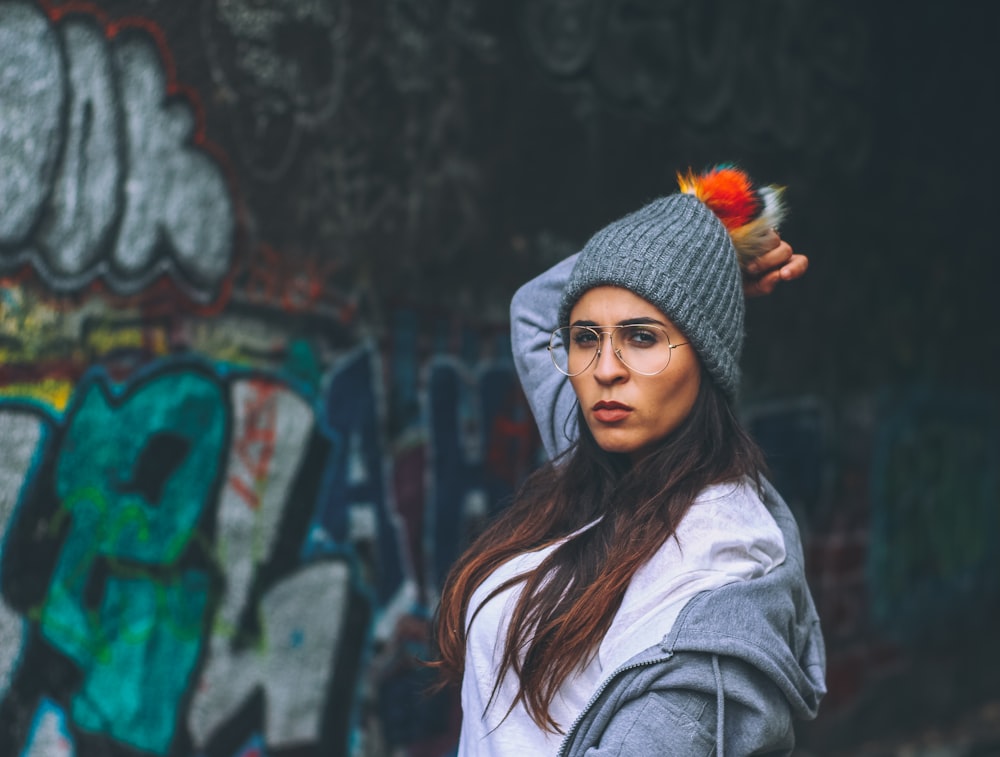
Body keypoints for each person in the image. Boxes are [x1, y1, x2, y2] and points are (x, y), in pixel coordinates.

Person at [433, 166, 825, 756]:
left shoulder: (714, 587)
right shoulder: (597, 457)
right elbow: (538, 309)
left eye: (642, 337)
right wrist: (700, 243)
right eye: (587, 337)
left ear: (708, 357)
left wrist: (695, 262)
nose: (604, 368)